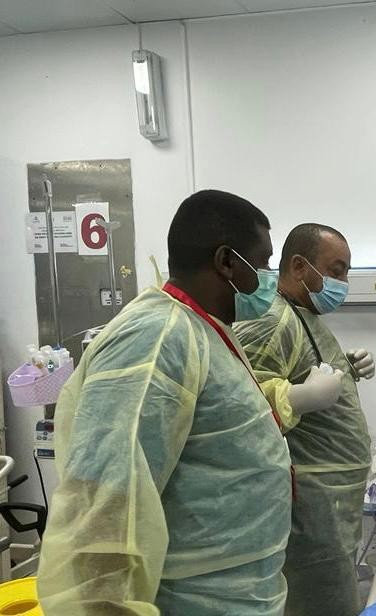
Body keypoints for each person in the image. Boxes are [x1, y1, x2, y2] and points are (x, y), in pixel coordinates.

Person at [38, 190, 304, 615]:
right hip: (193, 600)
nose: (269, 278)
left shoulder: (201, 328)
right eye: (263, 262)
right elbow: (105, 506)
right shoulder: (156, 338)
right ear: (227, 261)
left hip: (235, 593)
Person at [235, 223, 374, 616]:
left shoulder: (300, 315)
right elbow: (241, 411)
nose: (342, 284)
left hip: (332, 503)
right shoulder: (272, 321)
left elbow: (297, 371)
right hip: (314, 508)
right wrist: (300, 397)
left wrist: (345, 369)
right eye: (336, 271)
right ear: (299, 266)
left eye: (346, 273)